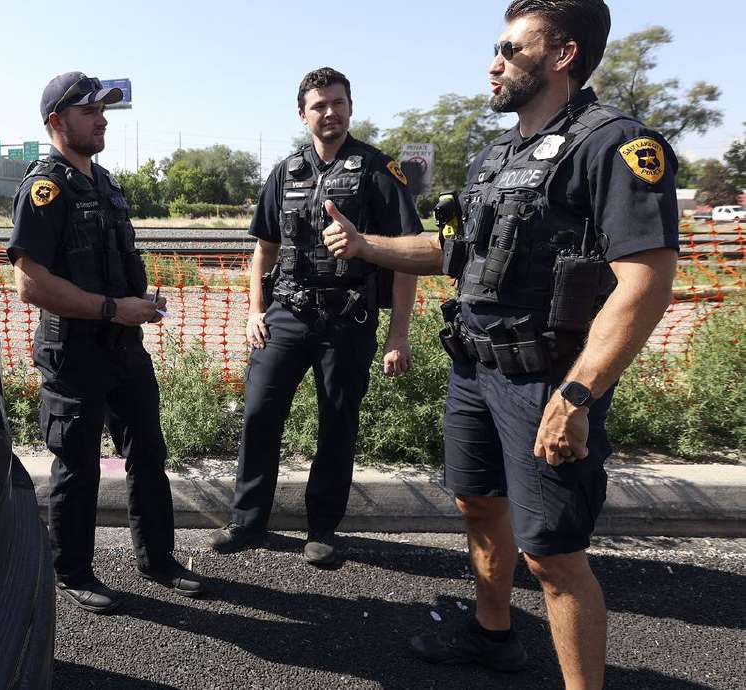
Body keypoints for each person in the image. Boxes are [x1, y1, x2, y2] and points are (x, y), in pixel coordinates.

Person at [320, 2, 678, 687]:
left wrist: (578, 394)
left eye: (511, 49)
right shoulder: (497, 155)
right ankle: (493, 636)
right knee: (478, 506)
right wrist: (368, 246)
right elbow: (453, 251)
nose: (494, 62)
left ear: (563, 55)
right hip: (475, 371)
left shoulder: (615, 144)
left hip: (547, 381)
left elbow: (647, 283)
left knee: (552, 554)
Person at [7, 72, 205, 614]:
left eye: (105, 112)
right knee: (77, 463)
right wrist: (114, 308)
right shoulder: (44, 188)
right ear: (56, 121)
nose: (102, 120)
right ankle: (71, 571)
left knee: (148, 452)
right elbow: (30, 283)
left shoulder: (106, 182)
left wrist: (134, 305)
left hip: (123, 344)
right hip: (74, 349)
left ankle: (158, 558)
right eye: (90, 111)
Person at [208, 67, 422, 566]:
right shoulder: (285, 171)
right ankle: (247, 521)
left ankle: (323, 528)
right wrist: (254, 311)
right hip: (286, 314)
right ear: (302, 114)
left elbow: (410, 256)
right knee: (259, 415)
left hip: (348, 320)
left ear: (351, 107)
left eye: (339, 103)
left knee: (337, 424)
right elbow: (263, 251)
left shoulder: (378, 171)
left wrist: (399, 334)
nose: (331, 112)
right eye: (320, 105)